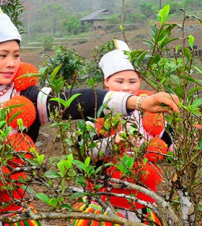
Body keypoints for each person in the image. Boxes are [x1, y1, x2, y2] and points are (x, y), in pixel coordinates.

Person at [0, 0, 179, 226]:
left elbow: (76, 99)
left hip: (12, 210)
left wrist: (136, 102)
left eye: (16, 54)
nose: (11, 62)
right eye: (2, 55)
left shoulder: (28, 97)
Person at [70, 40, 172, 225]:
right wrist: (112, 143)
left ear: (140, 81)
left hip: (142, 200)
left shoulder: (152, 114)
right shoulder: (96, 114)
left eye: (132, 81)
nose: (126, 87)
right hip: (104, 200)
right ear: (106, 82)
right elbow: (85, 153)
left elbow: (169, 145)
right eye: (119, 81)